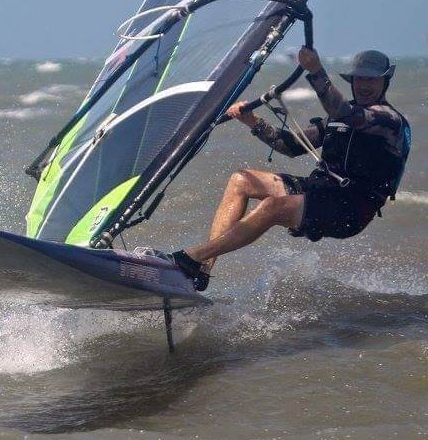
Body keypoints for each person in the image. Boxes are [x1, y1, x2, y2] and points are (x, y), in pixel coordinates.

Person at [168, 47, 411, 291]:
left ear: (385, 81)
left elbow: (346, 113)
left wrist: (316, 71)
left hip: (350, 209)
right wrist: (252, 121)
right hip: (321, 190)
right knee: (241, 180)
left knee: (273, 207)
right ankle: (202, 268)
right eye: (360, 79)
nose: (364, 85)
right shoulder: (337, 118)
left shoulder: (388, 120)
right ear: (352, 81)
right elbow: (291, 146)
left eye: (371, 79)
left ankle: (190, 257)